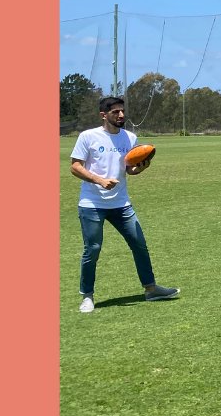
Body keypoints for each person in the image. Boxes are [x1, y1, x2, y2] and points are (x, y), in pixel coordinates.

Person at [70, 96, 180, 312]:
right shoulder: (88, 137)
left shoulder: (130, 137)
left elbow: (129, 168)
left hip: (121, 204)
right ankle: (87, 296)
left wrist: (140, 169)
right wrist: (100, 180)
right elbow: (75, 166)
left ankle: (151, 289)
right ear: (103, 115)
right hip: (92, 203)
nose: (121, 115)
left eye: (122, 111)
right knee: (92, 249)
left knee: (139, 244)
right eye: (115, 112)